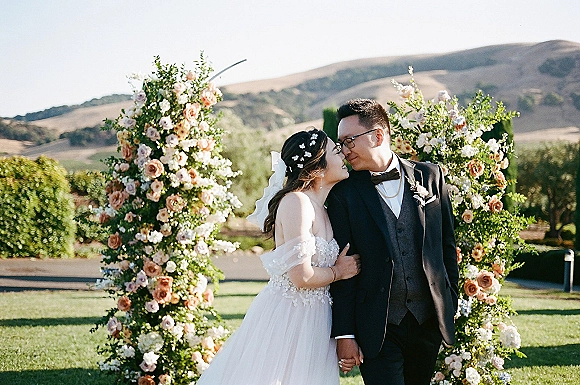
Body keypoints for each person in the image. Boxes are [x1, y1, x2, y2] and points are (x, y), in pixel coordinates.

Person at [197, 128, 361, 385]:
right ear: (316, 167)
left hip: (316, 320)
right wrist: (338, 272)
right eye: (335, 151)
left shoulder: (325, 208)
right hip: (289, 318)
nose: (343, 156)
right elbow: (301, 275)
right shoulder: (296, 203)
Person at [326, 99, 459, 385]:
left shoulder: (431, 176)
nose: (345, 150)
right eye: (341, 144)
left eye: (349, 140)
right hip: (377, 325)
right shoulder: (343, 194)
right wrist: (345, 334)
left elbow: (447, 247)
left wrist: (451, 301)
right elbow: (344, 266)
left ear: (377, 135)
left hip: (428, 322)